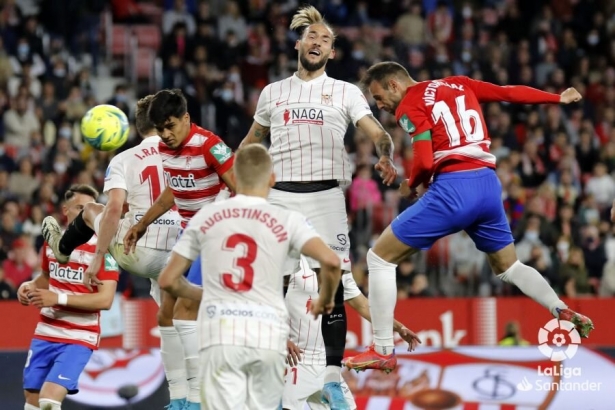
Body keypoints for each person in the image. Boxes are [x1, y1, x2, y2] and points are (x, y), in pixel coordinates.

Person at [344, 62, 594, 373]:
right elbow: (508, 93)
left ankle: (382, 348)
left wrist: (411, 183)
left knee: (379, 258)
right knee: (509, 266)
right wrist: (556, 98)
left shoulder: (410, 102)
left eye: (379, 97)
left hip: (454, 187)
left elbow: (423, 158)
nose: (380, 105)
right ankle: (560, 308)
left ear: (394, 85)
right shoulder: (458, 83)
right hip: (488, 186)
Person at [239, 7, 397, 407]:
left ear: (332, 52)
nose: (317, 43)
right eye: (312, 37)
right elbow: (252, 142)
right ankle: (271, 375)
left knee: (336, 284)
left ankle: (330, 378)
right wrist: (233, 184)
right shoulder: (272, 93)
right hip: (279, 196)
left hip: (327, 197)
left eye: (326, 39)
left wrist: (385, 153)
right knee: (273, 284)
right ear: (298, 44)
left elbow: (377, 132)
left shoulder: (346, 92)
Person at [157, 144, 342, 410]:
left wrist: (208, 294)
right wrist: (325, 299)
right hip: (267, 335)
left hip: (220, 336)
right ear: (272, 179)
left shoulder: (206, 217)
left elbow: (167, 280)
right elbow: (332, 261)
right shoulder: (288, 219)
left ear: (234, 178)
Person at [40, 96, 188, 409]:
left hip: (137, 250)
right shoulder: (183, 151)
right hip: (178, 253)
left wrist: (98, 255)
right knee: (172, 323)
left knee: (95, 207)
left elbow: (115, 208)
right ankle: (181, 398)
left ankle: (64, 247)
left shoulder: (124, 159)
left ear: (135, 127)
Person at [123, 88, 236, 410]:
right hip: (188, 233)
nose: (166, 134)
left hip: (213, 234)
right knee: (166, 309)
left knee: (186, 308)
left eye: (171, 126)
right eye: (160, 128)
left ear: (186, 118)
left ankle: (198, 398)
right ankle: (180, 398)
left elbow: (240, 188)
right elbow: (173, 191)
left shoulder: (210, 145)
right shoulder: (164, 148)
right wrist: (141, 224)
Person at [17, 185, 120, 410]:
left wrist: (58, 299)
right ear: (66, 210)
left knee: (49, 400)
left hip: (79, 336)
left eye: (90, 210)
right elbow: (45, 276)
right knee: (32, 400)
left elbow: (105, 300)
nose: (85, 215)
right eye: (80, 208)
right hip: (46, 330)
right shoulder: (53, 241)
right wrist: (28, 286)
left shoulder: (104, 249)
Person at [283, 257, 420, 410]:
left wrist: (399, 327)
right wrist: (281, 337)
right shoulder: (292, 257)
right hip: (294, 362)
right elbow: (271, 298)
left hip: (326, 365)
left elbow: (362, 305)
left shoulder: (338, 264)